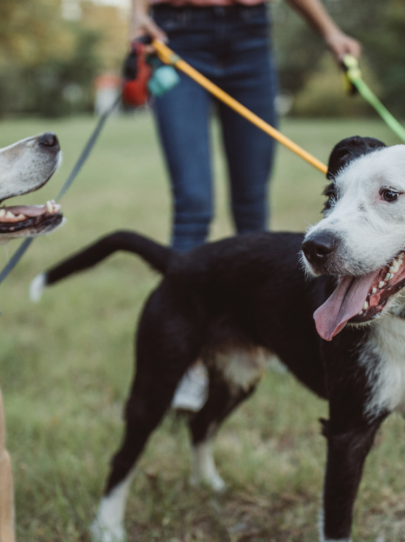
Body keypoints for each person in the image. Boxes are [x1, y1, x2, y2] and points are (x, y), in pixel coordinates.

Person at [131, 0, 360, 411]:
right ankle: (185, 360)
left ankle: (266, 336)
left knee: (252, 205)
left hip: (250, 34)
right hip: (177, 35)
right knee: (194, 205)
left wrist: (329, 31)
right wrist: (137, 11)